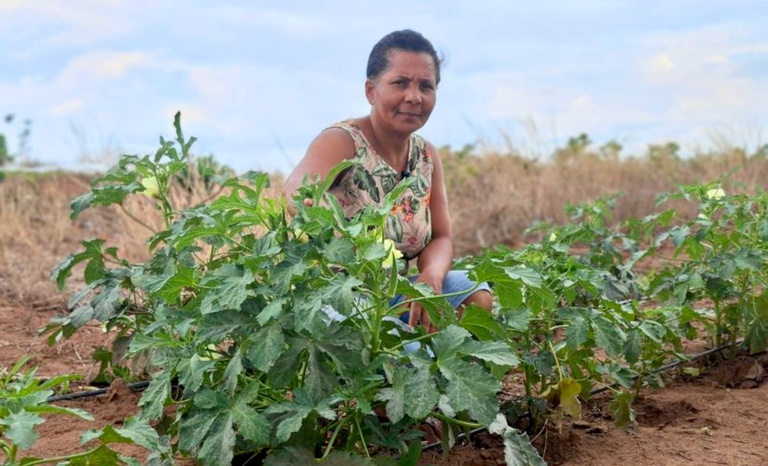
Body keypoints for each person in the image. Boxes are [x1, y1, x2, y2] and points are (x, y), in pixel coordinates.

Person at [283, 29, 492, 332]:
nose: (414, 97)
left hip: (395, 292)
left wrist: (430, 277)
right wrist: (308, 205)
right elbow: (297, 187)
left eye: (426, 86)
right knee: (384, 341)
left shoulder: (426, 156)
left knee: (474, 294)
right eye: (400, 83)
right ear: (371, 90)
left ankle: (432, 357)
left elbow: (441, 237)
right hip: (339, 296)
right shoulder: (343, 141)